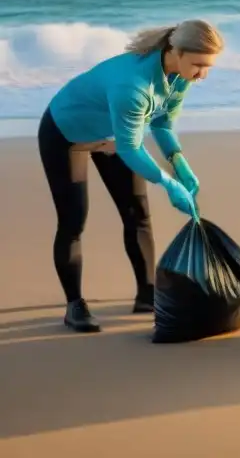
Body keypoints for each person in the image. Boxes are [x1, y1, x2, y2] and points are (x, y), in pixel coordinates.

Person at [39, 19, 224, 333]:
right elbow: (130, 149)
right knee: (73, 220)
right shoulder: (133, 86)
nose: (202, 75)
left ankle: (147, 294)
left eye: (208, 67)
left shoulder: (181, 76)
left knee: (137, 213)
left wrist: (180, 164)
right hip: (68, 134)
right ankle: (75, 305)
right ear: (175, 51)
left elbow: (162, 125)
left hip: (111, 135)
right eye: (198, 65)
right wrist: (168, 183)